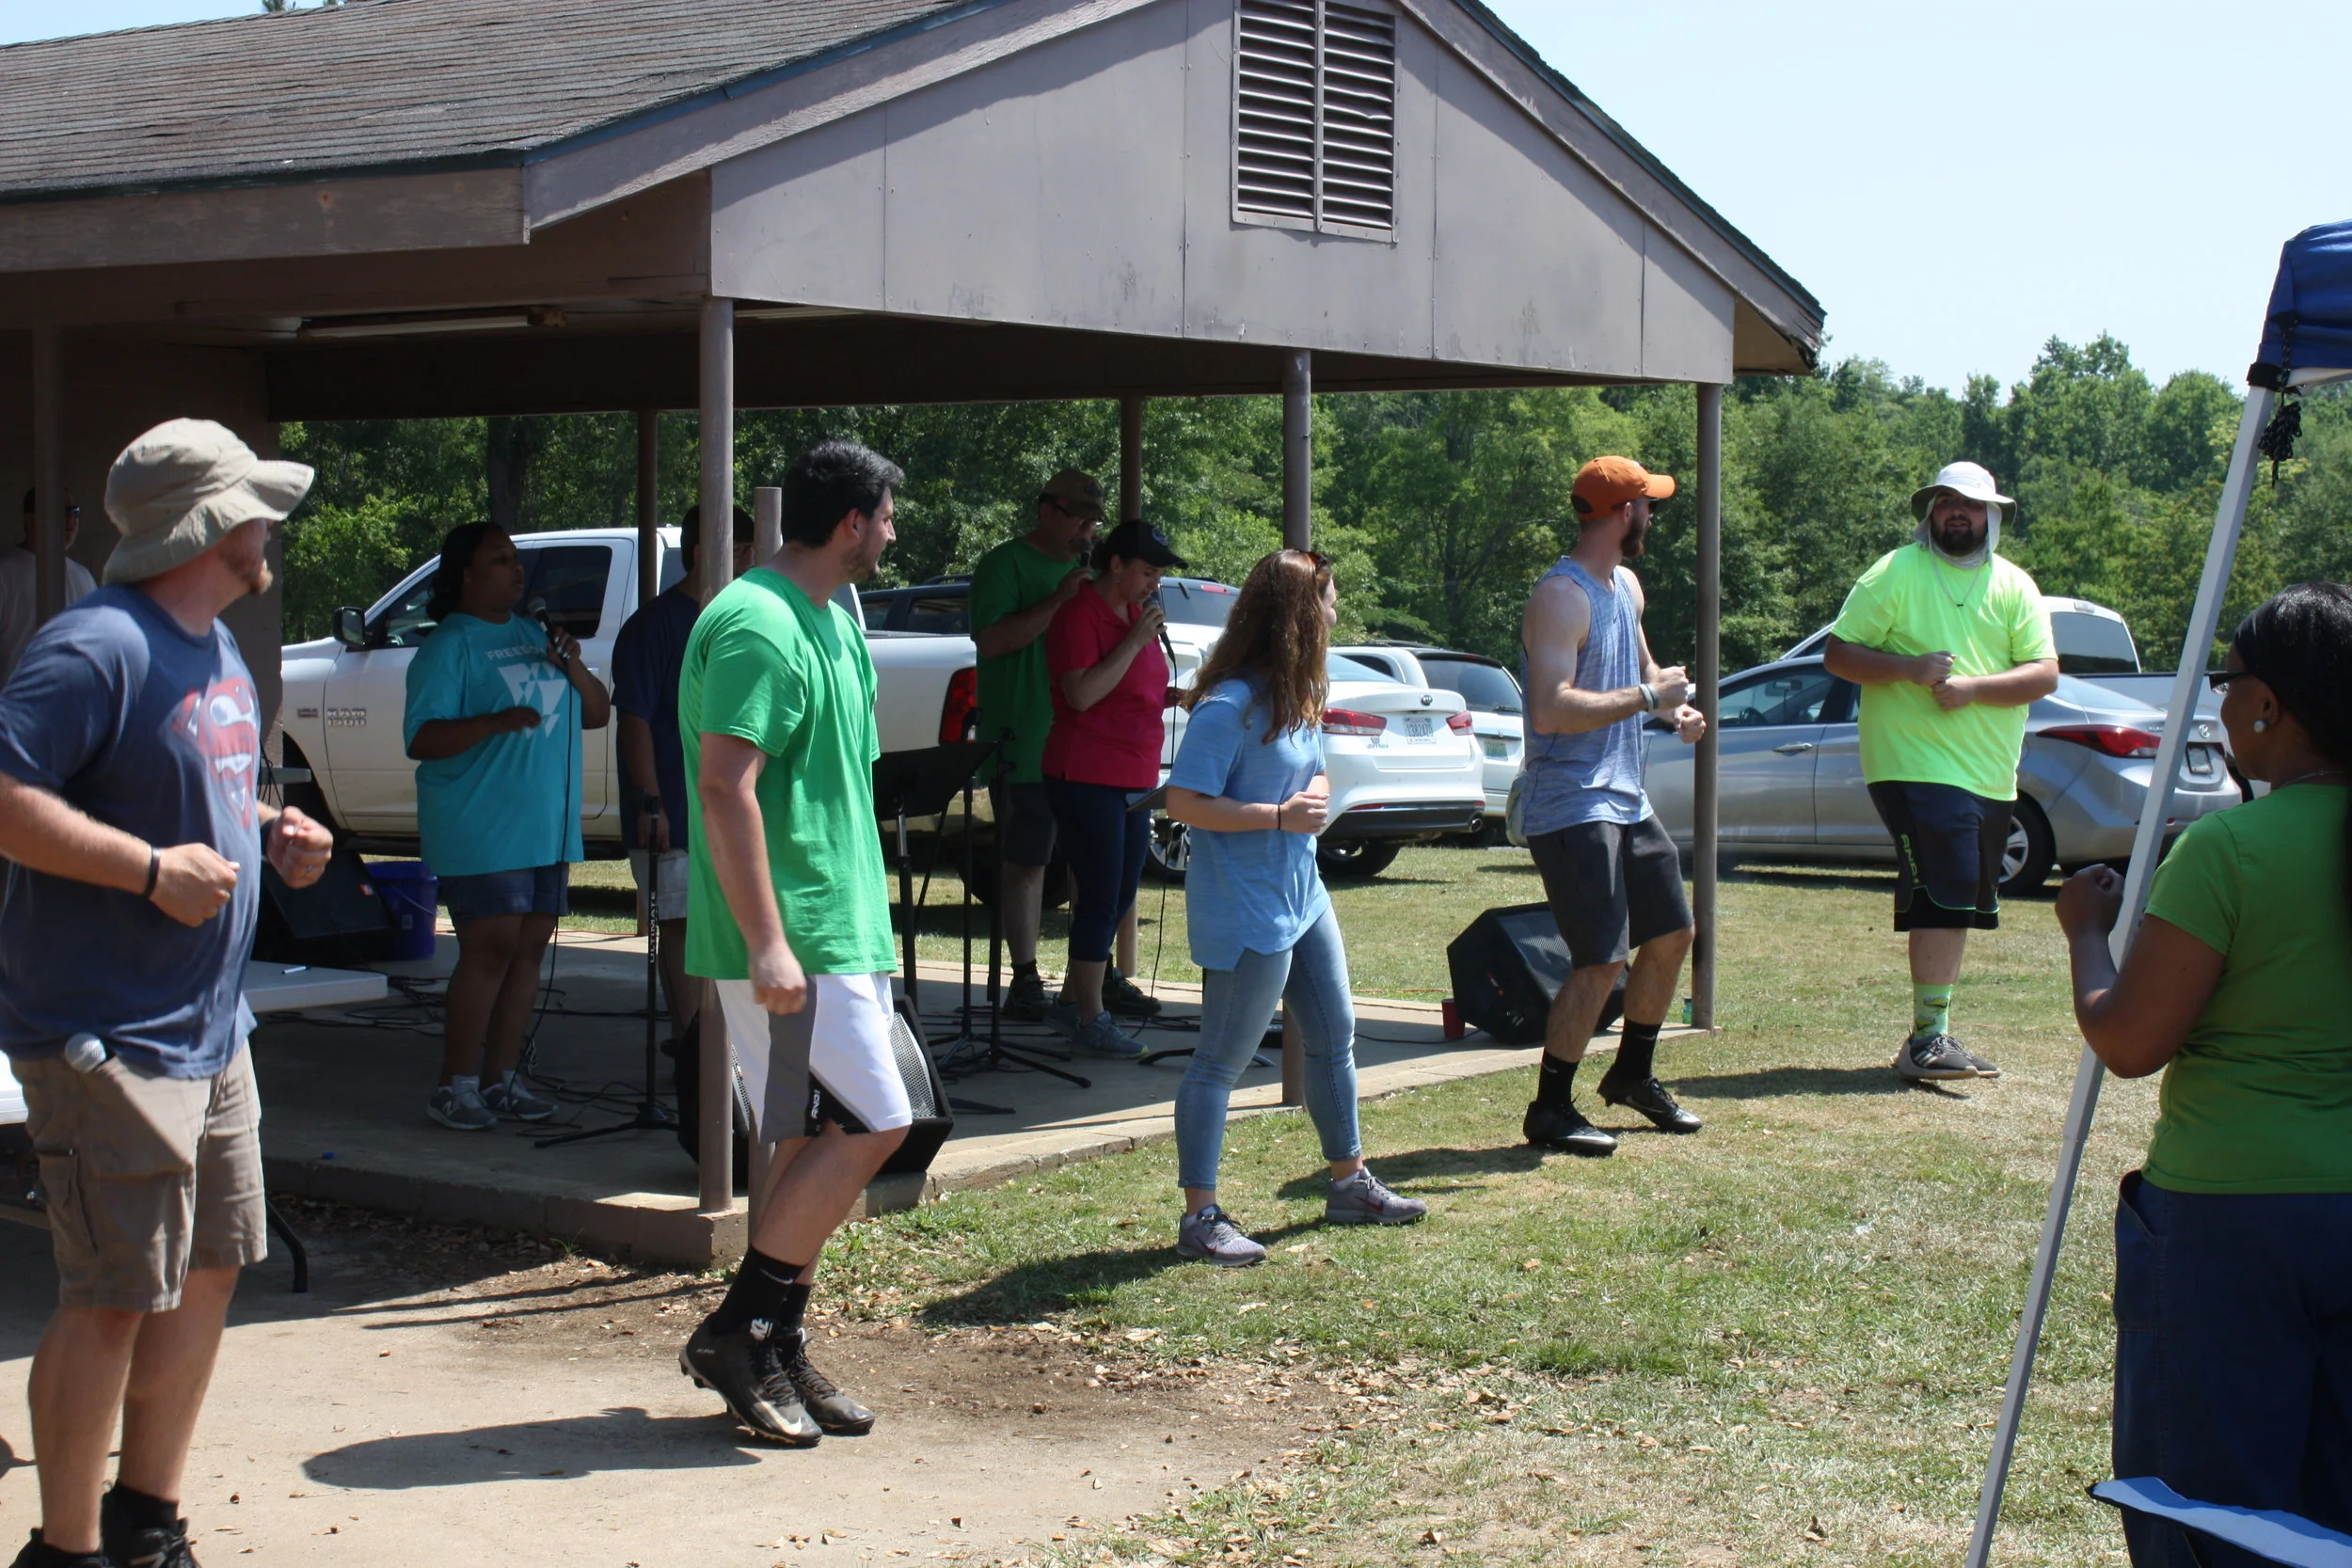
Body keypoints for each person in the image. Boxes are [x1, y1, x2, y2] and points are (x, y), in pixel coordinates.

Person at [0, 420, 335, 1568]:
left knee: (208, 1267)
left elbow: (203, 794)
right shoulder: (94, 646)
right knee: (110, 1294)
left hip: (209, 1029)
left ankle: (147, 1519)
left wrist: (273, 835)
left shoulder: (220, 647)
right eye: (255, 509)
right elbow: (4, 797)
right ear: (209, 526)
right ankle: (68, 1550)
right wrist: (147, 869)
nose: (270, 529)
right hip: (107, 1035)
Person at [2055, 583, 2352, 1563]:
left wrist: (2086, 935)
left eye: (2228, 684)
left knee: (2215, 1511)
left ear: (2268, 703)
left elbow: (2128, 1042)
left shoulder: (2225, 849)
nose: (2220, 707)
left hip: (2229, 1220)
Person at [677, 442, 910, 1448]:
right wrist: (769, 942)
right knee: (875, 1122)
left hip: (840, 927)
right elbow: (724, 782)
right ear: (852, 521)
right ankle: (740, 1328)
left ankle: (773, 1337)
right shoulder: (758, 624)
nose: (895, 533)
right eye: (888, 515)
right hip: (793, 940)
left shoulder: (832, 620)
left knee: (814, 1135)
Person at [1165, 549, 1426, 1266]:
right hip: (1247, 907)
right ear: (1300, 614)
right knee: (1220, 1061)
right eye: (1330, 600)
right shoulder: (1230, 705)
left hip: (1302, 896)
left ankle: (1349, 1183)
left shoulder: (1298, 693)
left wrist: (1302, 811)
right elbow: (1184, 801)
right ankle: (1200, 1218)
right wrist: (1279, 815)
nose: (1338, 613)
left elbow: (1300, 792)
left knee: (1335, 1033)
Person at [1823, 460, 2057, 1082]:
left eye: (1972, 504)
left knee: (1957, 897)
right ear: (1930, 512)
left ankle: (1934, 1036)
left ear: (1992, 516)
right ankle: (1927, 1039)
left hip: (1988, 774)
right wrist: (1908, 669)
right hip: (1911, 762)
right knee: (1946, 882)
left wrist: (1975, 688)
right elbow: (1838, 653)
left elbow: (2044, 672)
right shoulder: (1896, 571)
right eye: (1947, 502)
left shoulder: (2014, 585)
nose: (1958, 512)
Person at [1517, 456, 1708, 1158]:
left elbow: (1647, 676)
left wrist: (1675, 707)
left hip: (1625, 796)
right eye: (1647, 506)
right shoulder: (1560, 596)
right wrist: (1646, 701)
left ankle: (1632, 1074)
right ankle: (1550, 1106)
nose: (1652, 517)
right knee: (1600, 959)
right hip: (1571, 803)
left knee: (1673, 933)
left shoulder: (1624, 585)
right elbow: (1551, 707)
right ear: (1624, 513)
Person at [404, 521, 612, 1131]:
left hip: (543, 826)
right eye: (500, 560)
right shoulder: (450, 645)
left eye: (516, 559)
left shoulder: (536, 636)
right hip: (480, 825)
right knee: (489, 948)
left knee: (528, 951)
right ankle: (455, 1083)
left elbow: (597, 713)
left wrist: (571, 664)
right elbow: (422, 736)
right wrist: (493, 722)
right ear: (465, 574)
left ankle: (501, 1079)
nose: (516, 570)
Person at [969, 470, 1160, 1023]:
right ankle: (1025, 977)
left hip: (1097, 758)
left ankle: (1090, 977)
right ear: (1045, 510)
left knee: (1096, 873)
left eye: (1093, 520)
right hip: (1026, 738)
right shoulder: (1005, 565)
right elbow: (991, 640)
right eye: (1077, 516)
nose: (1086, 528)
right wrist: (1058, 601)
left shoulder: (1102, 581)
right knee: (1027, 862)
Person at [1040, 519, 1184, 1058]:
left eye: (1160, 574)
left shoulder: (1133, 618)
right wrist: (1135, 640)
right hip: (1086, 773)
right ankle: (1090, 1016)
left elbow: (1127, 688)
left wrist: (1174, 695)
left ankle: (1074, 1000)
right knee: (1100, 893)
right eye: (1148, 571)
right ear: (1116, 565)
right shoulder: (1082, 615)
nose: (1155, 583)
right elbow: (1081, 694)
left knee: (1121, 893)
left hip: (1133, 775)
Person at [612, 503, 755, 1037]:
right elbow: (635, 720)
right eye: (743, 549)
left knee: (731, 928)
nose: (752, 560)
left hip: (726, 813)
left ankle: (730, 1052)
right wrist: (651, 802)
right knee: (680, 925)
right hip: (673, 808)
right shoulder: (654, 626)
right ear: (703, 552)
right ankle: (692, 1044)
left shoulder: (745, 621)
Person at [0, 489, 99, 683]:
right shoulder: (5, 575)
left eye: (74, 510)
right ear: (30, 520)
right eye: (61, 511)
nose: (70, 518)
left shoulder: (83, 576)